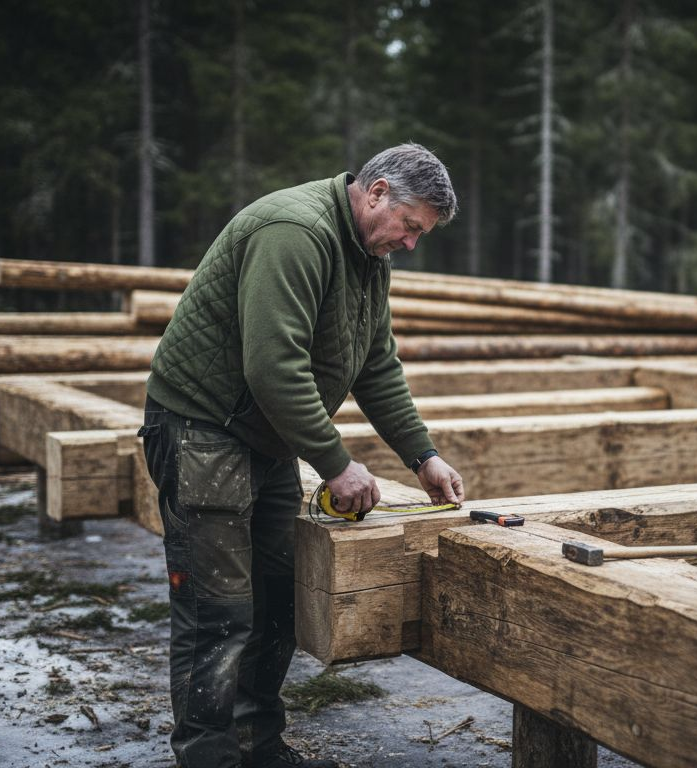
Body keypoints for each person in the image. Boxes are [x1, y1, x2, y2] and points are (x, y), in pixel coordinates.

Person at [138, 143, 466, 768]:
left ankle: (257, 746)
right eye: (411, 227)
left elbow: (375, 364)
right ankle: (208, 757)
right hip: (204, 427)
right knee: (220, 612)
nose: (411, 244)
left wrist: (421, 456)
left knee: (276, 601)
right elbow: (273, 366)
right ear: (376, 194)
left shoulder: (369, 255)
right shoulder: (296, 232)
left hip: (264, 435)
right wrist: (336, 463)